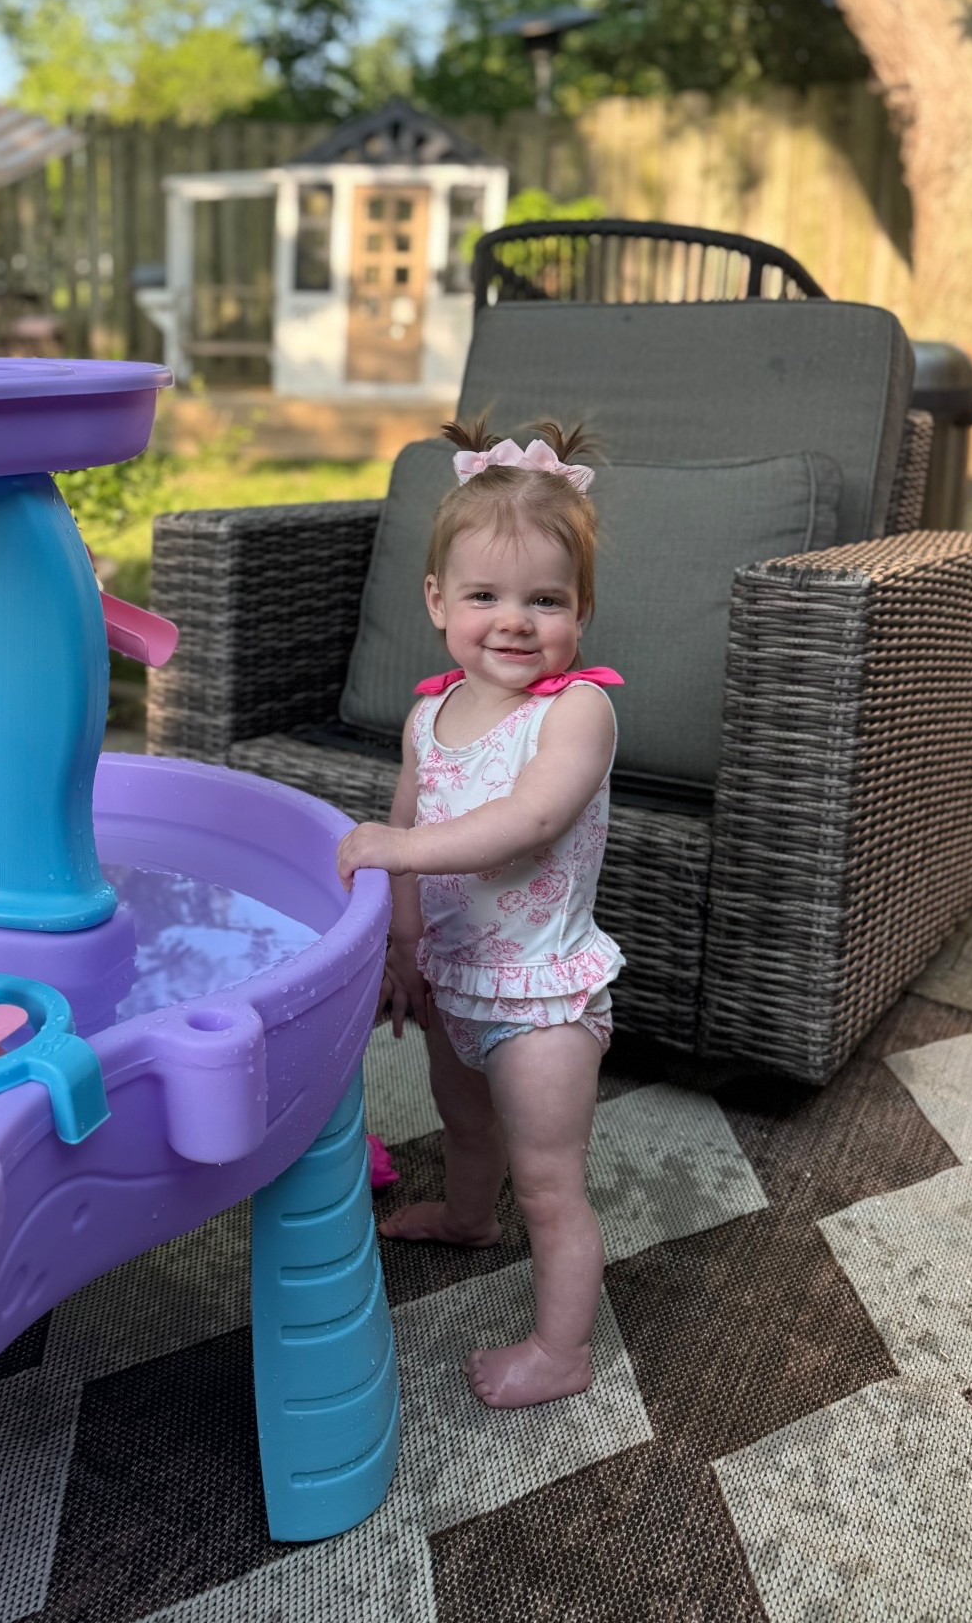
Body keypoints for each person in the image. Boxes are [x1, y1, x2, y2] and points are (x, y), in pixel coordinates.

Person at [337, 417, 623, 1411]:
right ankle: (467, 1216)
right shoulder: (431, 712)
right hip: (455, 977)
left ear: (581, 608)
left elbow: (525, 820)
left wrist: (391, 846)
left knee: (549, 1181)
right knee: (464, 1122)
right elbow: (419, 818)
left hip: (543, 995)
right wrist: (401, 945)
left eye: (545, 599)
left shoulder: (576, 711)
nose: (514, 620)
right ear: (437, 601)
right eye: (485, 595)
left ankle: (561, 1346)